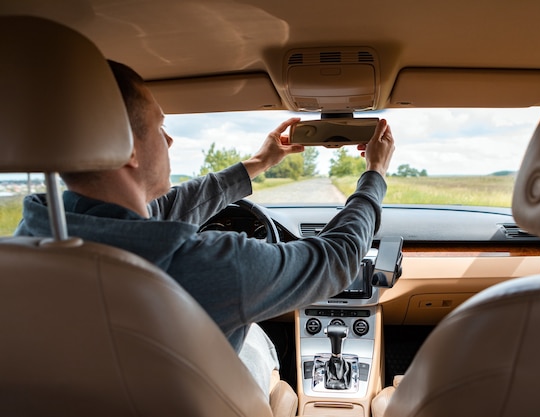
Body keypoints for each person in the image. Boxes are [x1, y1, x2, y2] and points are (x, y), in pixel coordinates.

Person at [15, 60, 395, 396]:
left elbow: (163, 211)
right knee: (266, 357)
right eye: (159, 126)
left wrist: (258, 163)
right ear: (126, 147)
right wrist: (374, 175)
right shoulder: (213, 265)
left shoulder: (21, 247)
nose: (169, 139)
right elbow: (338, 258)